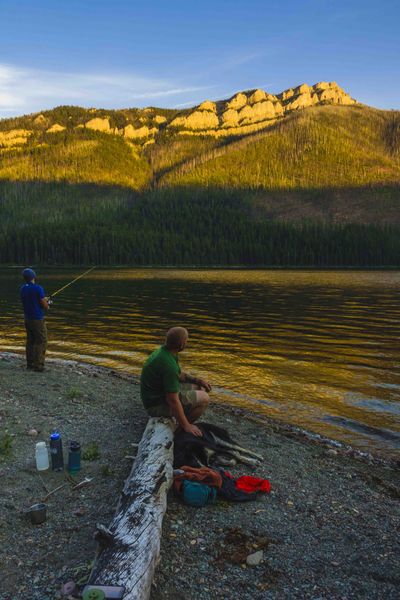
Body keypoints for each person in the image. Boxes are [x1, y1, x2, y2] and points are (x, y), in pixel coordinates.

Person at [140, 327, 211, 437]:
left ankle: (180, 418)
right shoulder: (169, 365)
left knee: (199, 388)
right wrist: (186, 425)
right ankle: (180, 429)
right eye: (186, 340)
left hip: (158, 394)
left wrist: (199, 381)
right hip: (156, 405)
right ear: (182, 344)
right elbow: (172, 399)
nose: (187, 342)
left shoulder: (166, 352)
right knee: (205, 399)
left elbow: (179, 375)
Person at [20, 268, 49, 372]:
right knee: (41, 341)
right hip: (37, 319)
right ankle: (39, 366)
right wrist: (47, 304)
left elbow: (33, 301)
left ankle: (30, 364)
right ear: (34, 276)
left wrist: (43, 300)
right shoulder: (38, 288)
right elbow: (44, 305)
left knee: (31, 341)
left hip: (27, 319)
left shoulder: (23, 288)